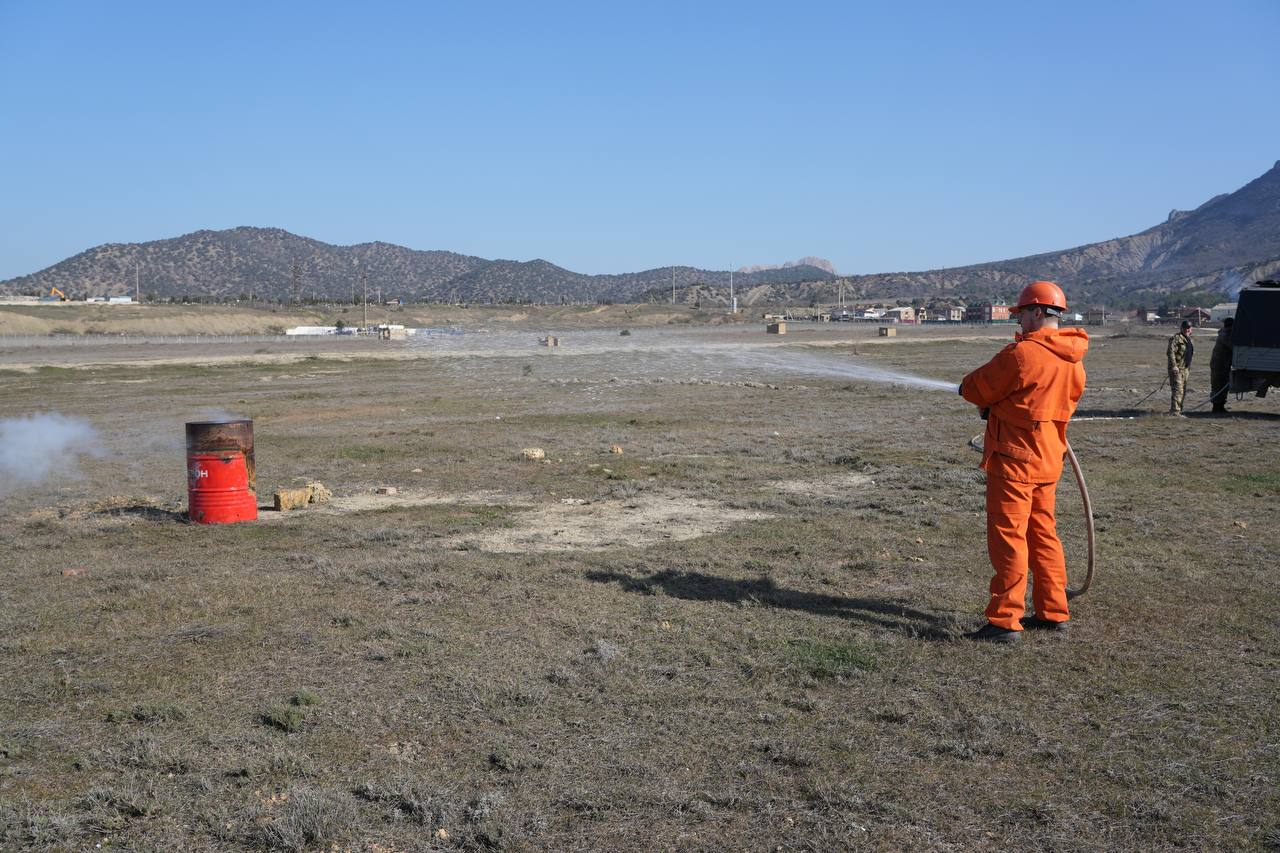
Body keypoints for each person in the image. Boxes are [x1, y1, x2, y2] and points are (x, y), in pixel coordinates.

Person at [958, 281, 1088, 643]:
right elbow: (1040, 402)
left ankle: (1004, 621)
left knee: (1009, 538)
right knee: (1043, 535)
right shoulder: (1074, 361)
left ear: (1036, 312)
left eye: (1022, 314)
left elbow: (974, 388)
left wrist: (991, 404)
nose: (1021, 322)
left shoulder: (1022, 355)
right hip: (1049, 459)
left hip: (1015, 461)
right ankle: (1053, 611)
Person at [1166, 320, 1194, 415]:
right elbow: (1170, 352)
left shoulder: (1189, 339)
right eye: (1185, 328)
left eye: (1189, 328)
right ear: (1181, 328)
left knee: (1183, 390)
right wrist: (1174, 366)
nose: (1187, 329)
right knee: (1178, 390)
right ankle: (1175, 411)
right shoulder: (1176, 338)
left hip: (1185, 369)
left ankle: (1179, 410)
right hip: (1177, 369)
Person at [1209, 317, 1234, 414]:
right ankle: (1216, 407)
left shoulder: (1227, 334)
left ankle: (1221, 406)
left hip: (1224, 365)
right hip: (1218, 365)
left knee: (1224, 385)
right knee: (1217, 385)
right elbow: (1232, 346)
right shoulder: (1224, 335)